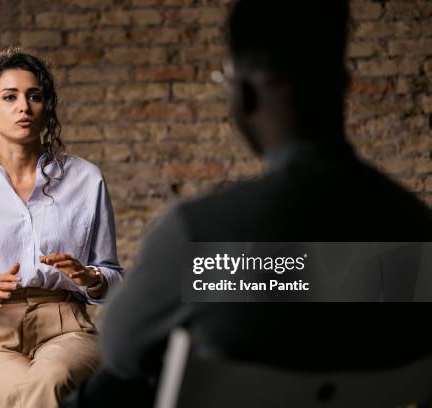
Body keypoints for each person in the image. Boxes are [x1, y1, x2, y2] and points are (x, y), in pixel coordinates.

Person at [63, 1, 432, 406]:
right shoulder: (416, 228)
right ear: (342, 84)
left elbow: (120, 348)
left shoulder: (201, 238)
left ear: (246, 92)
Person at [0, 48, 123, 408]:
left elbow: (113, 277)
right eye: (10, 97)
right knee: (29, 397)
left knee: (46, 382)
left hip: (67, 329)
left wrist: (89, 276)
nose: (24, 106)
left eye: (35, 96)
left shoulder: (86, 179)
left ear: (46, 108)